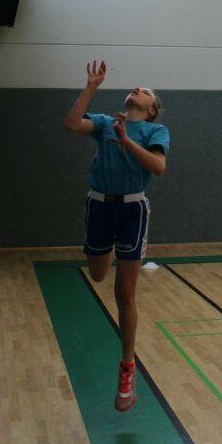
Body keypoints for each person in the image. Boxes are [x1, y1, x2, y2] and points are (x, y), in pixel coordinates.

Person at [65, 59, 169, 411]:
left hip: (132, 210)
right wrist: (90, 87)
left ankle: (127, 369)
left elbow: (158, 167)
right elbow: (71, 123)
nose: (139, 88)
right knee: (97, 275)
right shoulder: (105, 123)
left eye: (147, 91)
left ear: (151, 109)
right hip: (99, 206)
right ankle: (107, 251)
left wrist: (127, 141)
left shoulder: (156, 131)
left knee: (124, 293)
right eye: (137, 87)